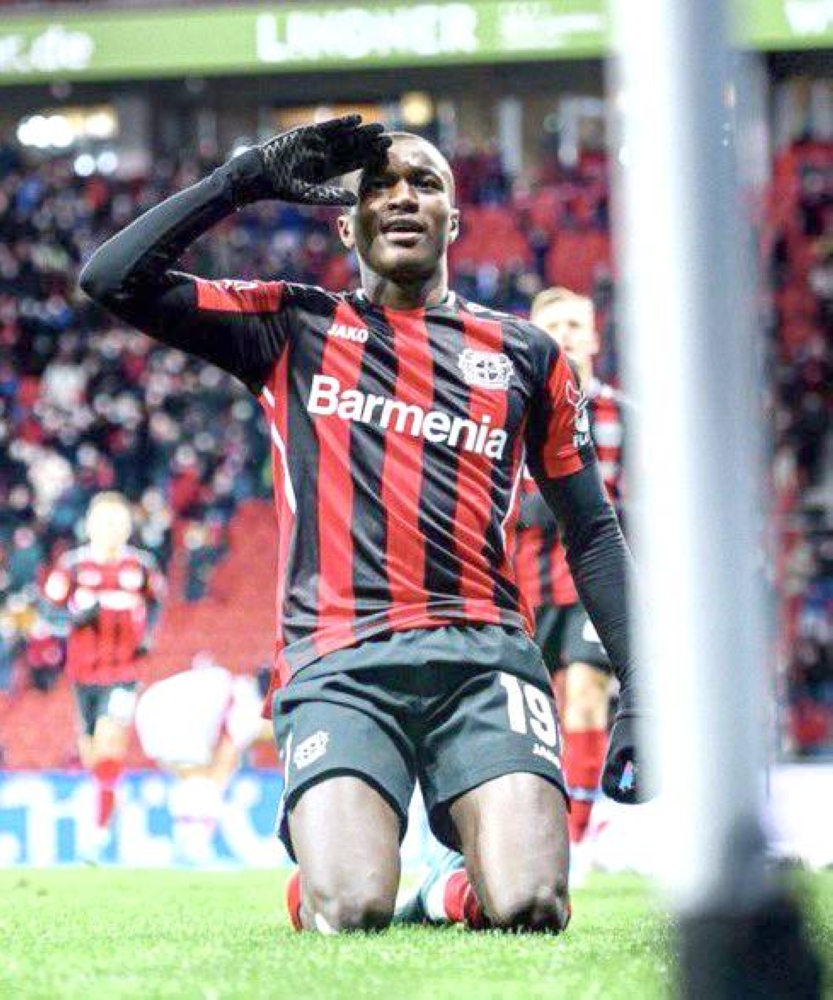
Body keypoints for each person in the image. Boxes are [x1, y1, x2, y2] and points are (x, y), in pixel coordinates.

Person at [80, 116, 644, 933]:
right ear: (346, 225)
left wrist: (642, 687)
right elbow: (112, 279)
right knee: (350, 906)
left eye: (426, 183)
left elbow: (591, 532)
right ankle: (337, 875)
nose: (403, 197)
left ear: (454, 219)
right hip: (337, 660)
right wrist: (242, 180)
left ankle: (444, 888)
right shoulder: (290, 327)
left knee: (531, 904)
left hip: (484, 657)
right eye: (379, 187)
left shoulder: (526, 354)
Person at [515, 287, 628, 862]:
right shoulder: (511, 409)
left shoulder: (624, 416)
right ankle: (532, 829)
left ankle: (577, 837)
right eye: (552, 325)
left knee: (585, 695)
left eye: (574, 325)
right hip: (523, 587)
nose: (564, 335)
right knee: (531, 714)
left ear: (594, 338)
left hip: (593, 583)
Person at [43, 491, 165, 856]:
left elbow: (156, 603)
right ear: (91, 525)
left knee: (111, 739)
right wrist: (75, 619)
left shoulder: (141, 566)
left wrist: (148, 636)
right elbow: (48, 613)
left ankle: (98, 831)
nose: (111, 529)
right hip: (83, 673)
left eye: (118, 522)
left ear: (127, 528)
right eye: (104, 521)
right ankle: (110, 793)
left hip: (124, 671)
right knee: (92, 753)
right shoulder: (72, 567)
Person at [135, 654, 271, 864]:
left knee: (193, 778)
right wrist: (215, 795)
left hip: (152, 705)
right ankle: (195, 847)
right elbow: (224, 763)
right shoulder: (250, 708)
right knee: (204, 782)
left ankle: (187, 842)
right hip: (170, 715)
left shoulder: (237, 687)